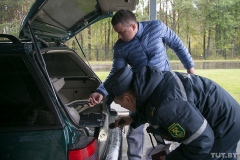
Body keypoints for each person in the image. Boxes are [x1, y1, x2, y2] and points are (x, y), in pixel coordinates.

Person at [88, 9, 195, 159]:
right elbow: (116, 73)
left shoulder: (157, 27)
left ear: (133, 26)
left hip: (167, 89)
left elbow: (177, 45)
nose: (119, 36)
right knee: (134, 129)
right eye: (117, 33)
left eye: (122, 32)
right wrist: (101, 91)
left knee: (169, 126)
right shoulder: (120, 47)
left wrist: (190, 69)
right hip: (139, 93)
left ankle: (170, 154)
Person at [103, 65, 240, 160]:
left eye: (120, 103)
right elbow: (150, 103)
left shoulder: (167, 106)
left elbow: (200, 142)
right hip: (226, 115)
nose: (121, 106)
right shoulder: (152, 83)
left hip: (224, 126)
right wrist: (133, 118)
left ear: (127, 98)